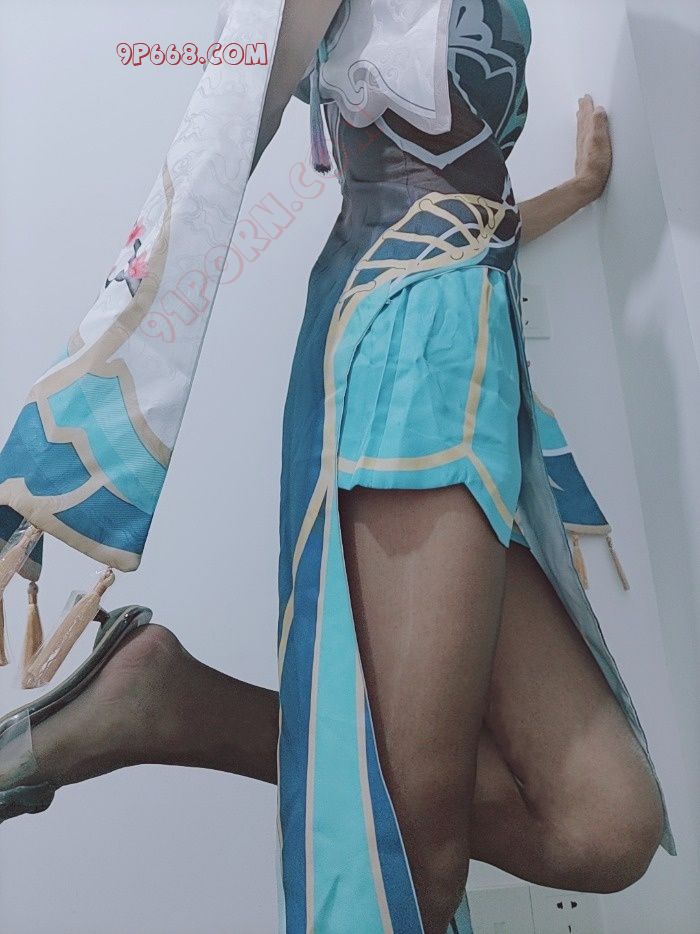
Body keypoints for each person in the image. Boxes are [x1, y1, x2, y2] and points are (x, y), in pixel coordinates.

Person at [0, 2, 676, 932]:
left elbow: (471, 206)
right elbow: (236, 113)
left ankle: (168, 704)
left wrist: (581, 190)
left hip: (467, 342)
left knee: (607, 825)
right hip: (408, 348)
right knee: (413, 854)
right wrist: (90, 400)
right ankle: (155, 704)